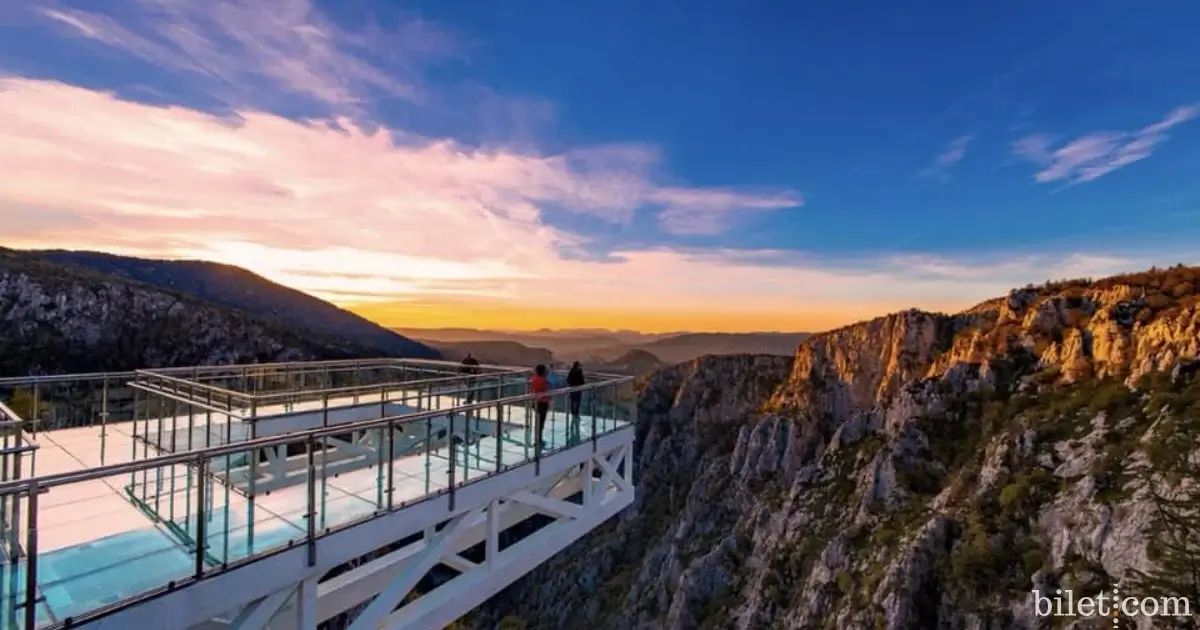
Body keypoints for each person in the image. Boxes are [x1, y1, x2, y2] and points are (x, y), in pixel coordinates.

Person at [530, 364, 551, 451]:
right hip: (543, 402)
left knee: (538, 421)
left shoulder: (534, 379)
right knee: (541, 421)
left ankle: (537, 437)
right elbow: (546, 389)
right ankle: (539, 438)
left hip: (536, 402)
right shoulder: (543, 380)